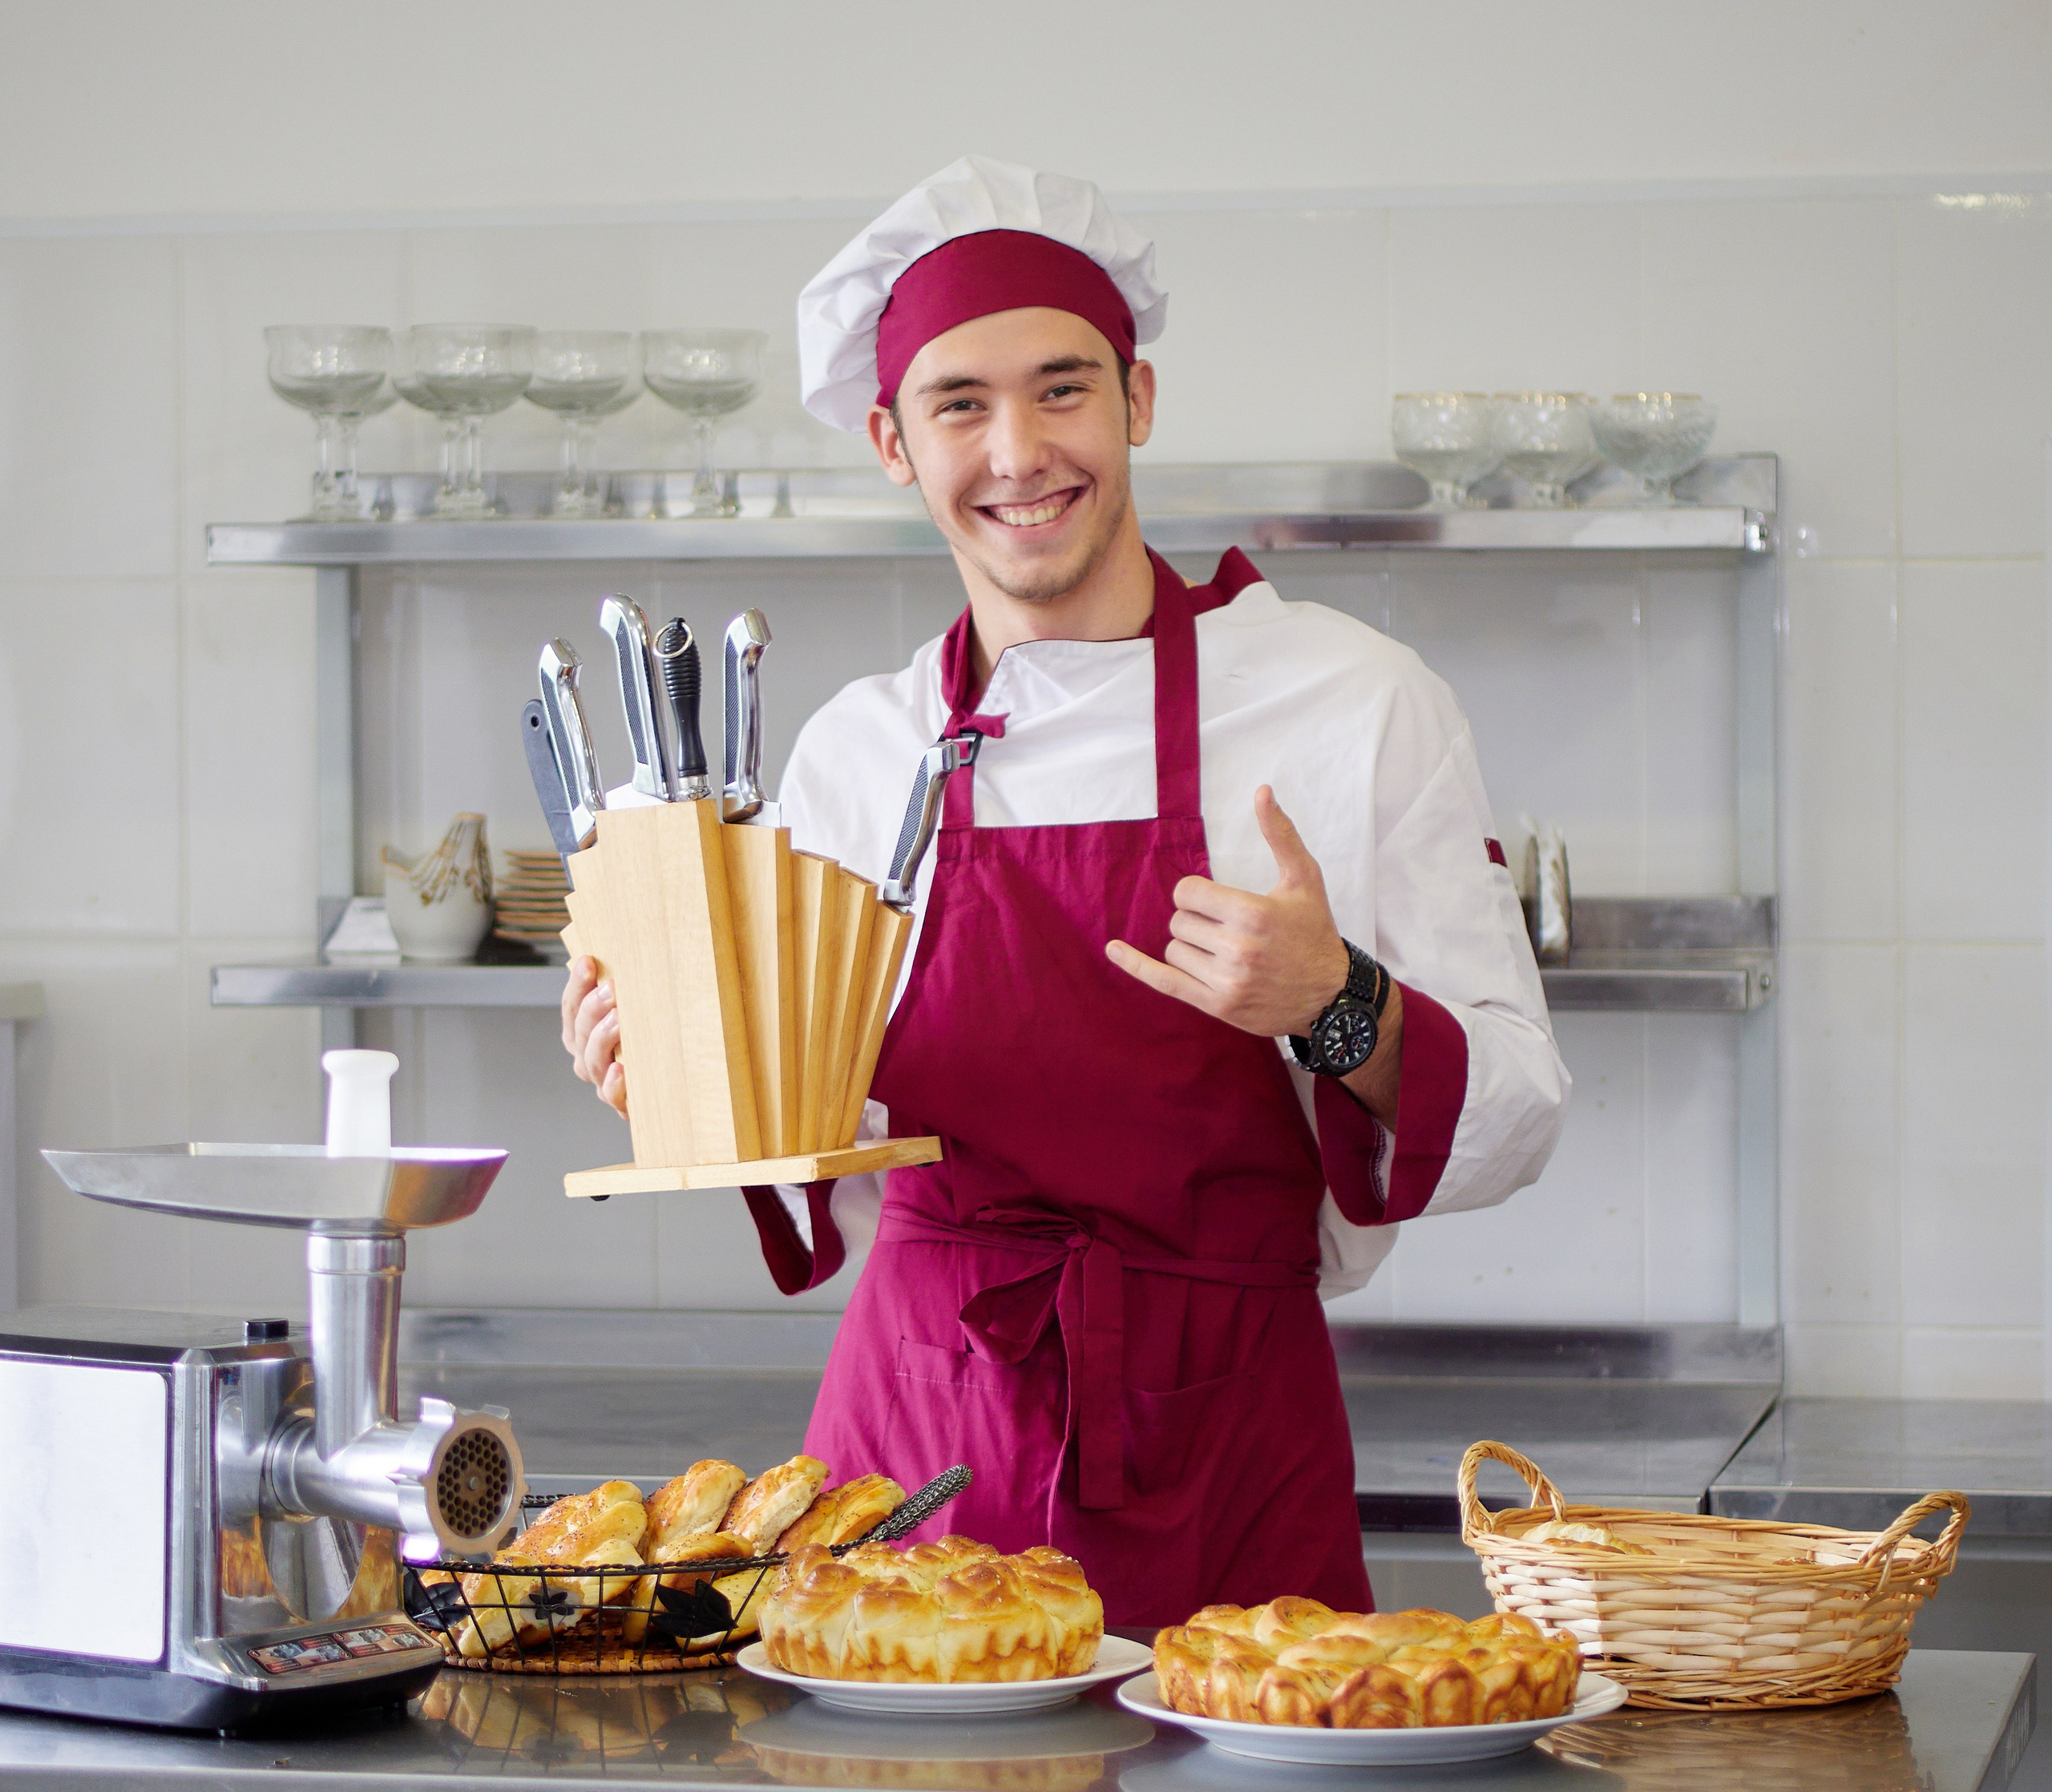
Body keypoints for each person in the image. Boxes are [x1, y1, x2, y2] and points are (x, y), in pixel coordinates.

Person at [562, 155, 1569, 1625]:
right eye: (958, 404)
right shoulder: (857, 753)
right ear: (894, 446)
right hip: (912, 1457)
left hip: (1226, 1445)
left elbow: (1521, 1113)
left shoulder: (1352, 706)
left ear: (1139, 402)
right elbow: (817, 1149)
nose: (1019, 450)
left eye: (1063, 387)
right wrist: (676, 1082)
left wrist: (1337, 1006)